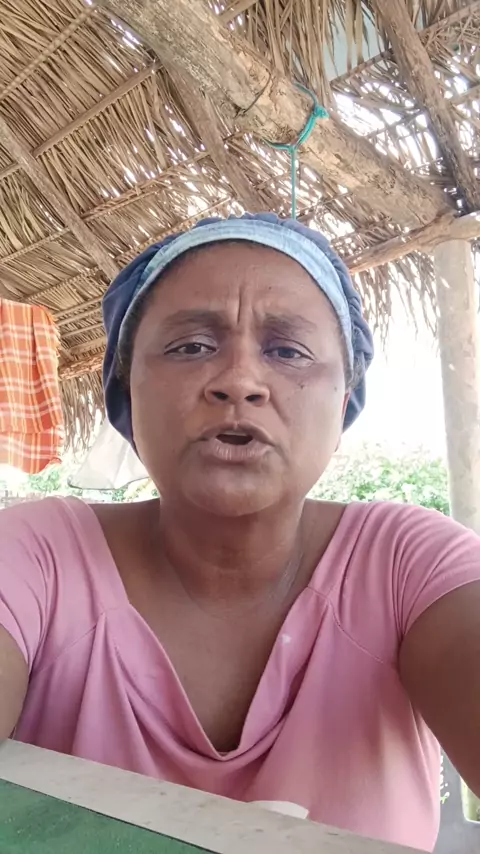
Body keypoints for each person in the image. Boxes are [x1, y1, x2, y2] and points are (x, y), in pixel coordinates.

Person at [0, 213, 479, 852]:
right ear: (127, 390)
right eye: (190, 346)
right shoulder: (35, 556)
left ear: (343, 401)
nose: (239, 382)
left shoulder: (410, 565)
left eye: (288, 351)